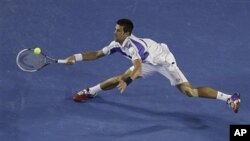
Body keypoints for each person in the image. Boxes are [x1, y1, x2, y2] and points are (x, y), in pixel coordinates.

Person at [64, 18, 240, 113]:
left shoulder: (134, 47)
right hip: (147, 61)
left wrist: (128, 81)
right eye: (115, 28)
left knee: (189, 92)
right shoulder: (116, 44)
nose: (114, 31)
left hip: (163, 61)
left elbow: (138, 68)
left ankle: (229, 98)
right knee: (120, 77)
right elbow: (96, 54)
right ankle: (90, 92)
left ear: (126, 33)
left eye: (118, 30)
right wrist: (76, 56)